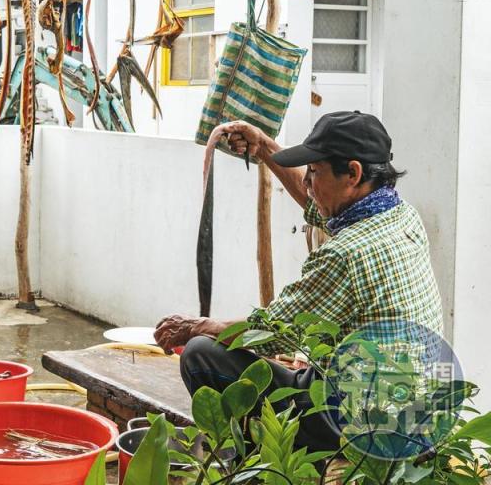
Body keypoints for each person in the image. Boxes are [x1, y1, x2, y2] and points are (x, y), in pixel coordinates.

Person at [155, 111, 444, 450]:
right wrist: (263, 146)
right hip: (414, 409)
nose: (307, 181)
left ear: (352, 173)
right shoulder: (399, 214)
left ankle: (261, 465)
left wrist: (196, 326)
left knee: (201, 354)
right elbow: (314, 205)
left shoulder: (345, 254)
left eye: (315, 172)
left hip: (364, 422)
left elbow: (272, 333)